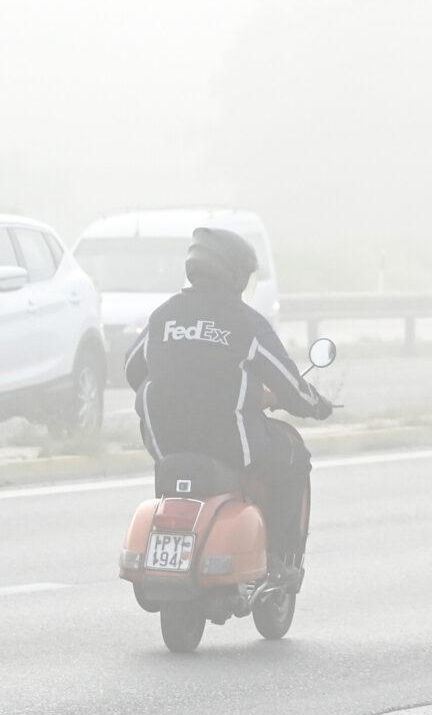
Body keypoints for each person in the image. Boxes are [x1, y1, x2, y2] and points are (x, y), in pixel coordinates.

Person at [126, 226, 331, 572]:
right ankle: (280, 561)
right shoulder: (246, 323)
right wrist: (317, 405)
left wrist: (177, 390)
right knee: (295, 458)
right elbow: (289, 385)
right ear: (235, 275)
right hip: (231, 445)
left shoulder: (163, 316)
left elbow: (133, 369)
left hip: (166, 445)